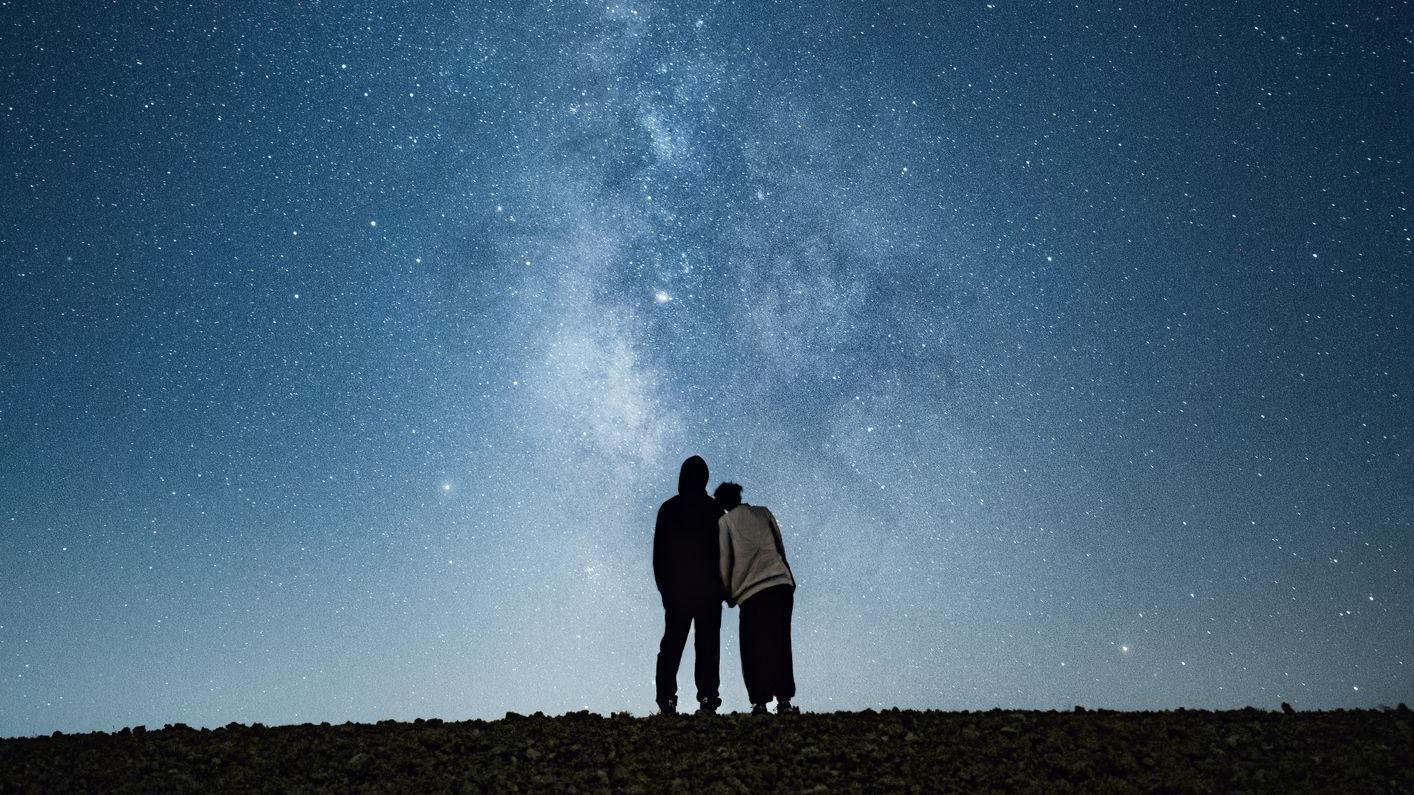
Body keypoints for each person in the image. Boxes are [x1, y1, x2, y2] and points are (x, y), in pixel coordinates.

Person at [653, 455, 727, 715]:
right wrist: (724, 588)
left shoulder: (669, 508)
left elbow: (658, 555)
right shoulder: (715, 510)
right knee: (706, 645)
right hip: (705, 591)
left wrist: (665, 590)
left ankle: (667, 700)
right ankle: (707, 698)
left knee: (673, 644)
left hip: (680, 590)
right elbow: (726, 553)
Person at [716, 481, 798, 715]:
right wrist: (789, 577)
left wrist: (727, 592)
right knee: (780, 642)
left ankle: (760, 701)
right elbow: (780, 548)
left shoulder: (726, 522)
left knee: (753, 647)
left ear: (722, 503)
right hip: (780, 584)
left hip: (751, 591)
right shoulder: (763, 512)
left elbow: (725, 560)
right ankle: (784, 701)